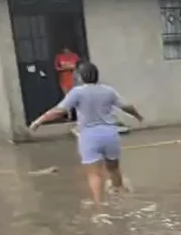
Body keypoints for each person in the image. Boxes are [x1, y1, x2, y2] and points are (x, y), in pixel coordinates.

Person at [28, 61, 143, 205]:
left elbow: (59, 111)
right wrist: (138, 116)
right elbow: (126, 107)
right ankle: (120, 199)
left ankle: (100, 209)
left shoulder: (77, 92)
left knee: (94, 174)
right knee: (114, 169)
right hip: (110, 134)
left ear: (80, 77)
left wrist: (38, 121)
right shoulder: (108, 90)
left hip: (89, 136)